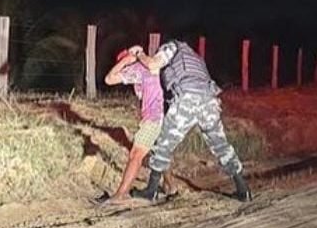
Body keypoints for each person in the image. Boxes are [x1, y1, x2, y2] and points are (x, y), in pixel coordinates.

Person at [126, 40, 252, 203]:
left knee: (163, 144)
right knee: (221, 145)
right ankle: (243, 189)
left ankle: (151, 190)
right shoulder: (196, 57)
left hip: (187, 98)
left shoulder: (171, 47)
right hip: (209, 100)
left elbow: (152, 65)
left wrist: (139, 53)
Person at [94, 47, 171, 206]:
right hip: (159, 115)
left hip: (153, 118)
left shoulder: (137, 69)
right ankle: (171, 186)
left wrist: (124, 61)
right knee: (158, 152)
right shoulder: (146, 67)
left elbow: (109, 79)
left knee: (136, 154)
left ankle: (120, 194)